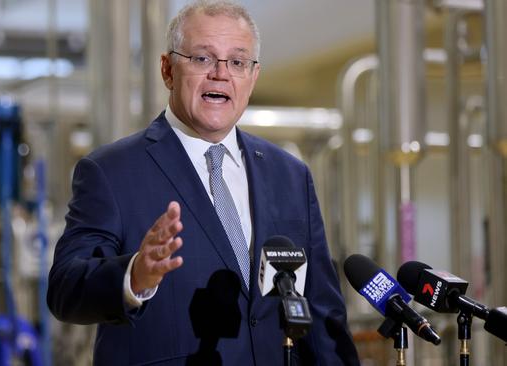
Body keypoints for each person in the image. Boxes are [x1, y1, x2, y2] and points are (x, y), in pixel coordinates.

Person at [47, 1, 360, 364]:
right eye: (202, 59)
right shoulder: (111, 171)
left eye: (238, 62)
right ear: (167, 70)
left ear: (253, 77)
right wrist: (135, 276)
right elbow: (65, 289)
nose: (220, 74)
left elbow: (321, 312)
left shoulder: (289, 174)